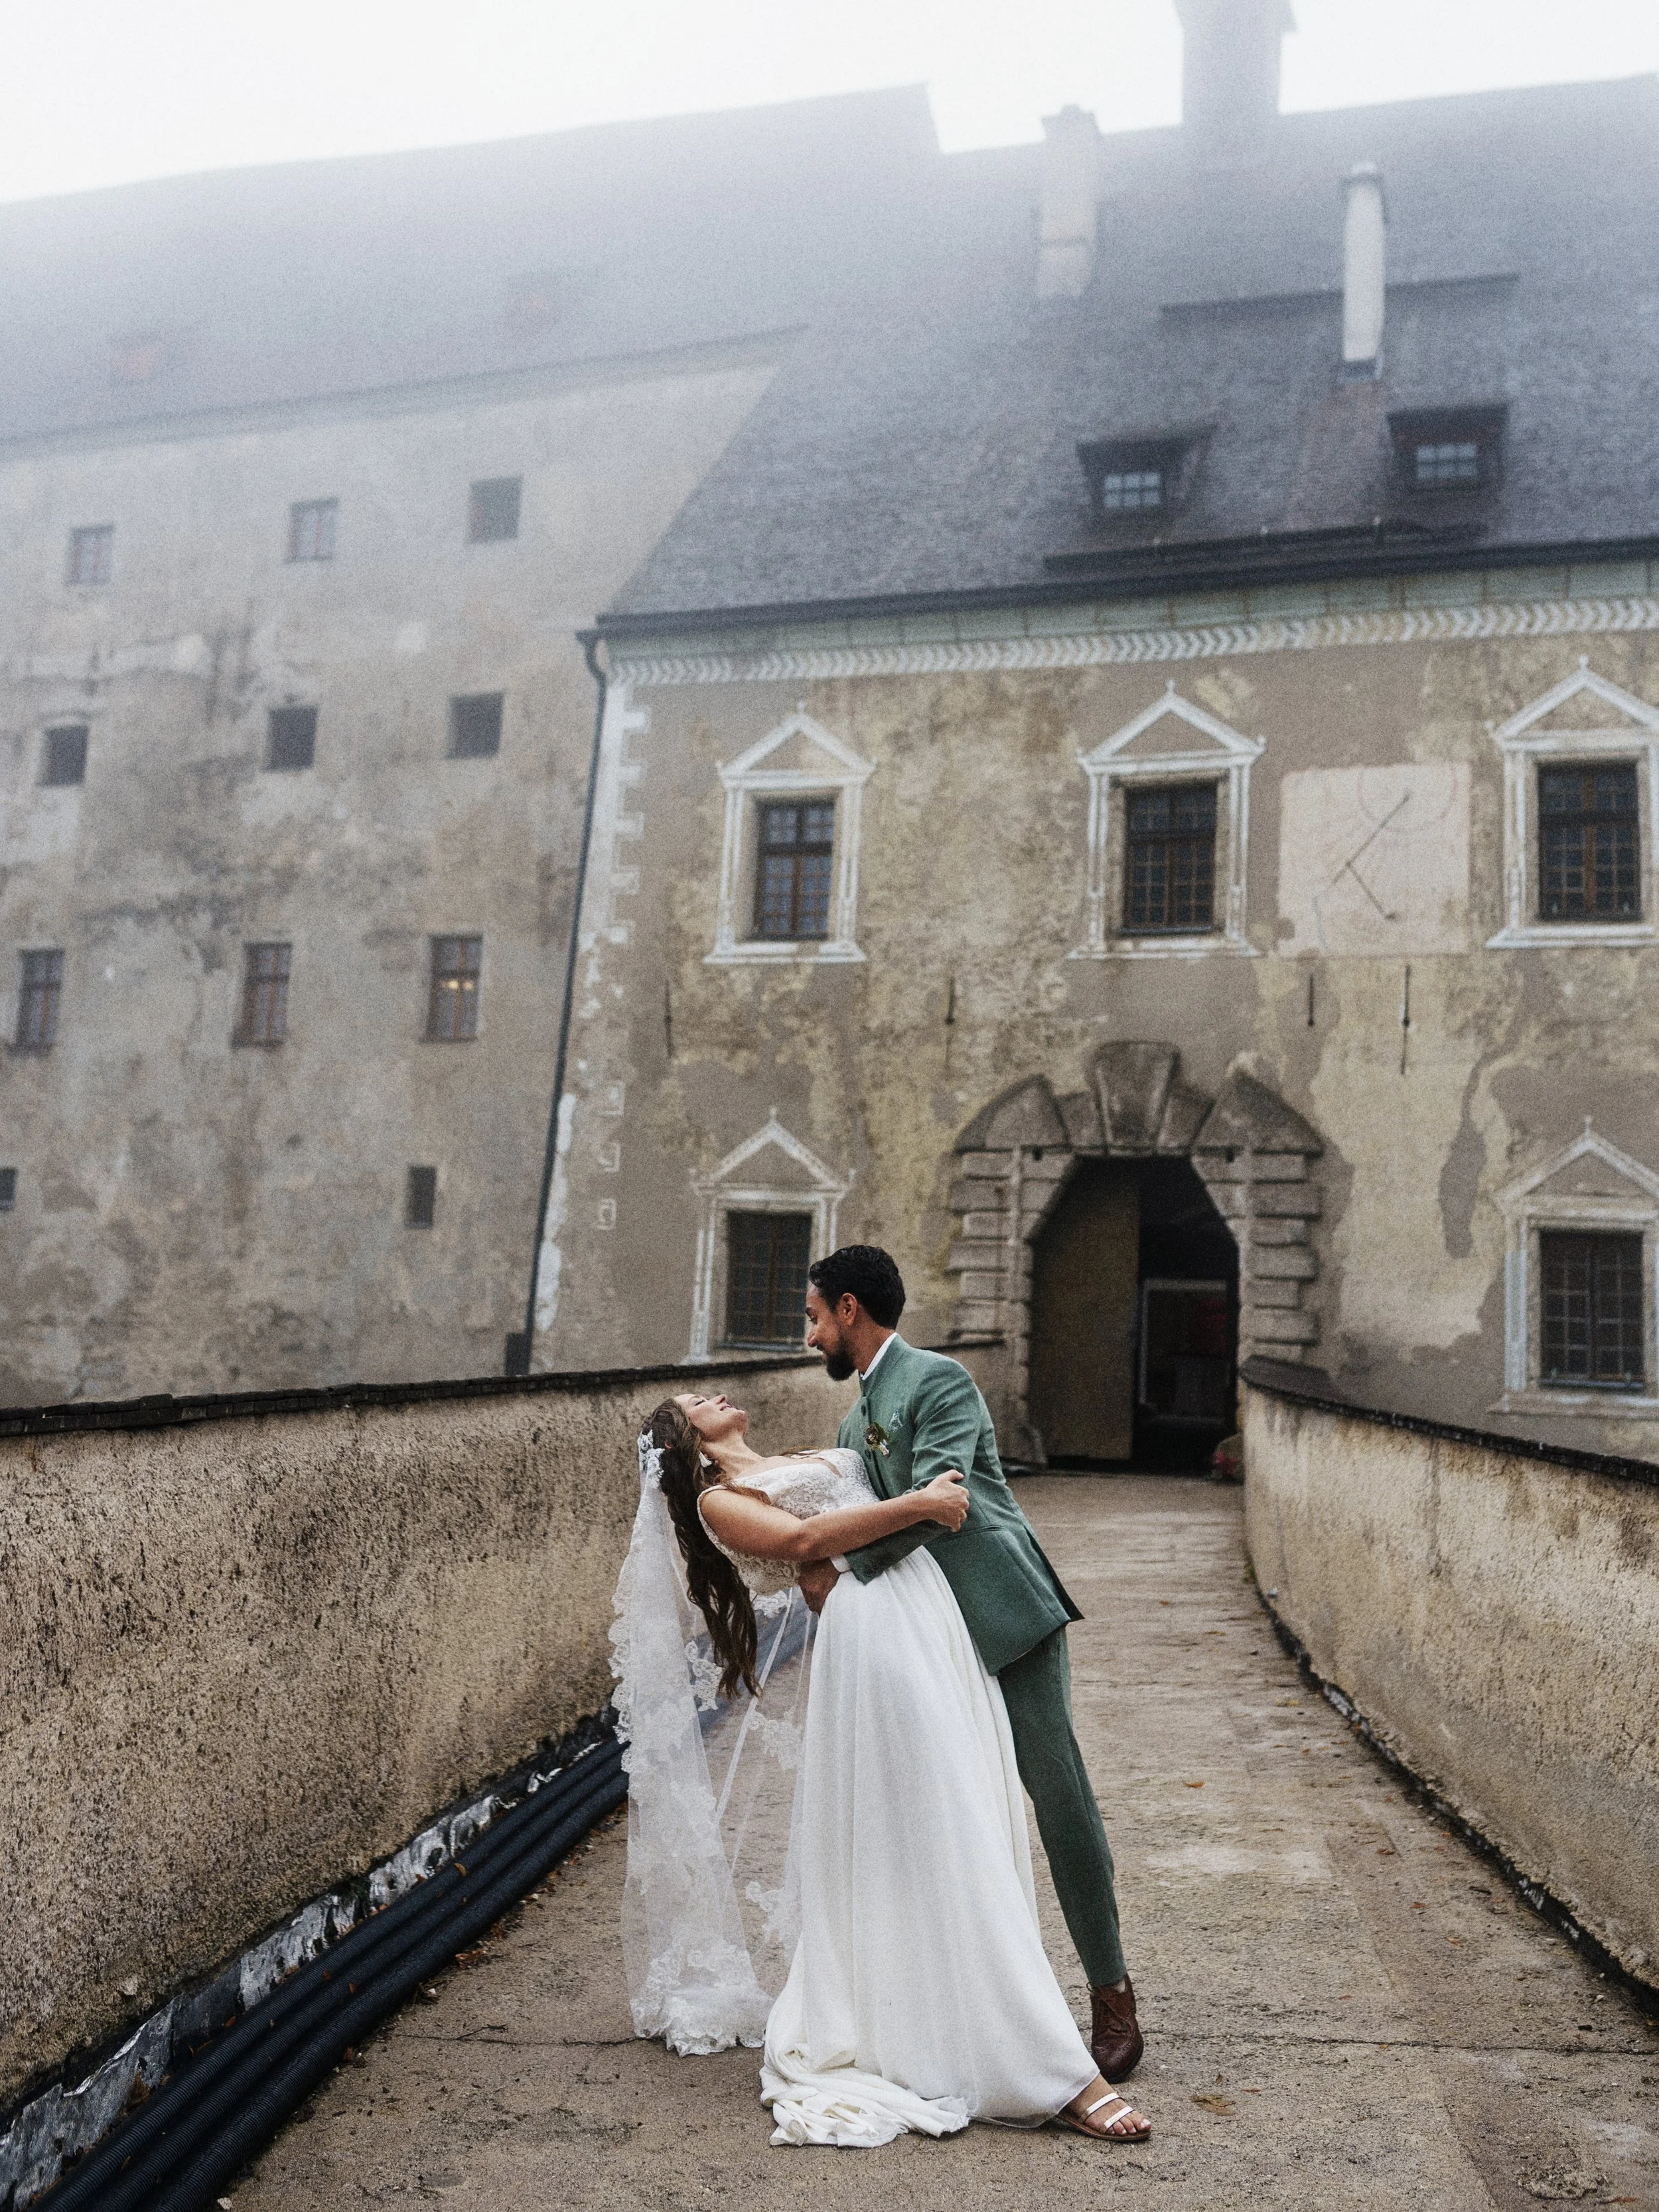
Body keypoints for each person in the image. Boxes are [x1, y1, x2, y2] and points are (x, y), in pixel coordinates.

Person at [616, 1388, 1151, 2148]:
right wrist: (922, 1504)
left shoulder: (798, 1454)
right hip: (874, 1636)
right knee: (949, 1825)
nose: (715, 1393)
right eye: (695, 1401)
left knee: (965, 1812)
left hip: (930, 1614)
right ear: (689, 1444)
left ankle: (937, 2014)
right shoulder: (720, 1501)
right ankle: (1054, 2071)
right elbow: (805, 1542)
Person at [800, 1243, 1144, 2085]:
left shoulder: (939, 1380)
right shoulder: (854, 1418)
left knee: (1056, 1795)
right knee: (942, 1808)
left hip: (1000, 1615)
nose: (808, 1338)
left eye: (813, 1318)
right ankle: (966, 2002)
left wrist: (841, 1568)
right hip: (921, 1636)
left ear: (850, 1310)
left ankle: (1112, 1996)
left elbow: (943, 1502)